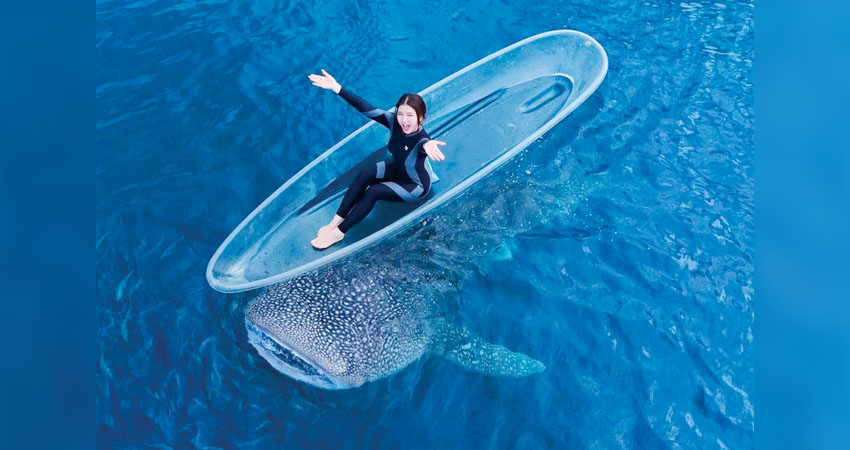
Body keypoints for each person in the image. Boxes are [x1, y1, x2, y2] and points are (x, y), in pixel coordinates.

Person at [307, 69, 447, 250]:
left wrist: (428, 145)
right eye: (401, 113)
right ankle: (335, 221)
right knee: (366, 172)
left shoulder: (421, 138)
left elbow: (425, 143)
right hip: (398, 168)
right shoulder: (393, 122)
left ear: (420, 117)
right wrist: (338, 88)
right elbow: (366, 107)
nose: (404, 120)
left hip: (415, 185)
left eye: (410, 115)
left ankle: (338, 233)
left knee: (374, 191)